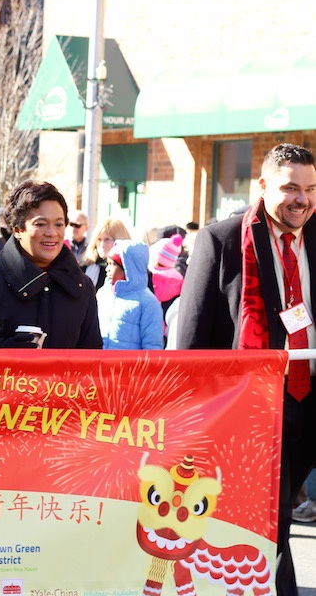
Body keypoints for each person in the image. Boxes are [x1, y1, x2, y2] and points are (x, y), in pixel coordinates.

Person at [177, 143, 316, 596]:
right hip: (251, 406)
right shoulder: (221, 240)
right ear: (262, 186)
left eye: (311, 189)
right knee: (269, 518)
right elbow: (193, 338)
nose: (303, 200)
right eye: (291, 188)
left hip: (309, 400)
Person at [0, 180, 102, 349]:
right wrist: (3, 349)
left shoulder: (82, 286)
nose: (52, 232)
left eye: (59, 224)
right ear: (17, 230)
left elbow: (92, 355)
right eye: (40, 224)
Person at [96, 240, 164, 350]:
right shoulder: (103, 294)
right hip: (102, 365)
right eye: (107, 264)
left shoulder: (148, 302)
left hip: (130, 366)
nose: (107, 269)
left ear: (129, 268)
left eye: (113, 264)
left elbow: (152, 346)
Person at [81, 217, 132, 291]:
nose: (102, 245)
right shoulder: (86, 267)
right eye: (99, 239)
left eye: (107, 239)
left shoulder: (130, 270)